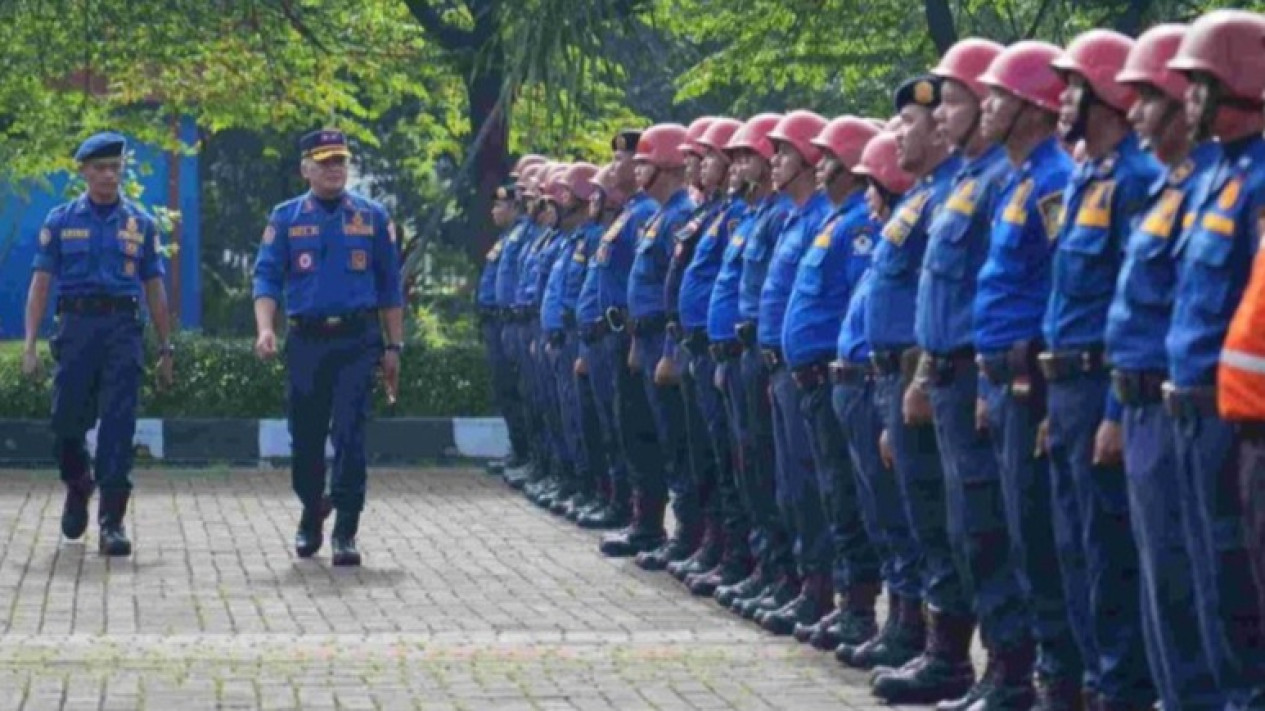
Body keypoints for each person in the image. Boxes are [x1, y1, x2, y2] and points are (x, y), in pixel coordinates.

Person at [916, 38, 1039, 711]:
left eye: (954, 99)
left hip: (980, 378)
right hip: (946, 374)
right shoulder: (961, 182)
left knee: (992, 527)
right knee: (965, 527)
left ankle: (1012, 668)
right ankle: (991, 663)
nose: (940, 114)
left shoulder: (1002, 183)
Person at [1105, 23, 1223, 711]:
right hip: (1154, 405)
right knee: (1166, 581)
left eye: (1149, 97)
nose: (1136, 113)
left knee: (1204, 584)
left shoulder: (1237, 185)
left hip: (1208, 414)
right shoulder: (1179, 188)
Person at [1045, 30, 1159, 711]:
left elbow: (1135, 305)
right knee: (1072, 545)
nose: (1062, 102)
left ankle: (1118, 687)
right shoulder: (1086, 174)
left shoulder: (1139, 180)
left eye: (1074, 89)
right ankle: (1093, 680)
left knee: (1108, 547)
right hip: (1064, 389)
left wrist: (1116, 410)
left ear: (1107, 97)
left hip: (1101, 387)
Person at [974, 41, 1085, 711]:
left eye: (995, 96)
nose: (986, 106)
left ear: (1031, 108)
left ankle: (1054, 679)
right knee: (1012, 531)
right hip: (1001, 379)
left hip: (1033, 380)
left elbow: (1058, 287)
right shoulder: (1017, 180)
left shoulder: (1052, 182)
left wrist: (1034, 388)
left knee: (1038, 539)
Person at [865, 75, 975, 706]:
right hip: (901, 376)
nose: (898, 132)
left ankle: (952, 657)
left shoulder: (954, 196)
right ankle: (940, 650)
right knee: (926, 520)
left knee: (949, 525)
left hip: (936, 379)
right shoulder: (929, 198)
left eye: (908, 120)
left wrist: (920, 379)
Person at [1168, 10, 1265, 708]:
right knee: (1206, 578)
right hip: (1204, 409)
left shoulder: (1257, 178)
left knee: (1237, 583)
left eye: (1198, 85)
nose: (1187, 102)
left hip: (1234, 423)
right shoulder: (1214, 175)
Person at [252, 128, 404, 567]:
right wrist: (265, 328)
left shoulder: (373, 217)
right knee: (306, 437)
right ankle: (311, 507)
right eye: (324, 161)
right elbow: (266, 278)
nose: (334, 169)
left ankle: (346, 529)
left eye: (340, 160)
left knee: (351, 434)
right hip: (306, 340)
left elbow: (390, 286)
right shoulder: (284, 218)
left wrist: (394, 346)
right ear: (306, 168)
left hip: (358, 340)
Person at [25, 131, 174, 558]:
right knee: (65, 423)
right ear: (85, 172)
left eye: (115, 167)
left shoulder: (140, 224)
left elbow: (155, 288)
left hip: (123, 329)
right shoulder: (60, 221)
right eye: (100, 168)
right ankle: (78, 484)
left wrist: (166, 348)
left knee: (118, 424)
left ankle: (112, 521)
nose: (109, 175)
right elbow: (39, 285)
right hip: (75, 327)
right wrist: (32, 343)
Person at [782, 115, 883, 651]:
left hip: (836, 377)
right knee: (821, 489)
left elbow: (857, 303)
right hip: (815, 377)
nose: (818, 165)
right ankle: (840, 600)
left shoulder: (856, 227)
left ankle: (858, 608)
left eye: (826, 157)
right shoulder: (833, 221)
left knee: (844, 497)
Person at [832, 131, 925, 670]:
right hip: (870, 379)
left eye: (871, 183)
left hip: (891, 381)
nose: (865, 195)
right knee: (875, 512)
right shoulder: (893, 227)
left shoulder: (910, 222)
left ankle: (915, 631)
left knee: (900, 515)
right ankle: (898, 624)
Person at [752, 110, 837, 637]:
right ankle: (802, 584)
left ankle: (825, 594)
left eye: (783, 152)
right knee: (789, 486)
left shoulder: (826, 219)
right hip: (782, 368)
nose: (772, 161)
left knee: (816, 487)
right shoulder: (794, 219)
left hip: (815, 373)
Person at [480, 182, 529, 476]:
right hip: (497, 320)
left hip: (511, 320)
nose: (494, 211)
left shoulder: (522, 235)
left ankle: (525, 454)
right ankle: (518, 450)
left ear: (514, 207)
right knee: (505, 390)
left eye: (500, 205)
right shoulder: (508, 237)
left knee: (516, 390)